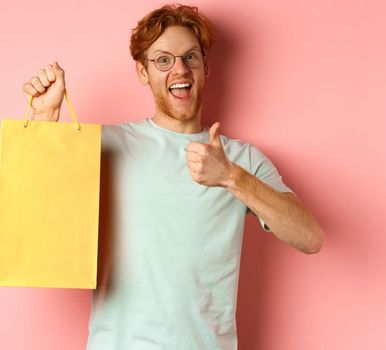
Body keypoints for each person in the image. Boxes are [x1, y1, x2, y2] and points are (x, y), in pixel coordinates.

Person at [21, 4, 324, 349]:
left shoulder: (241, 159)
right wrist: (45, 121)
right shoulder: (105, 145)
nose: (179, 69)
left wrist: (231, 177)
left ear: (206, 68)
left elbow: (310, 238)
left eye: (190, 58)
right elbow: (35, 209)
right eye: (163, 60)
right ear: (142, 72)